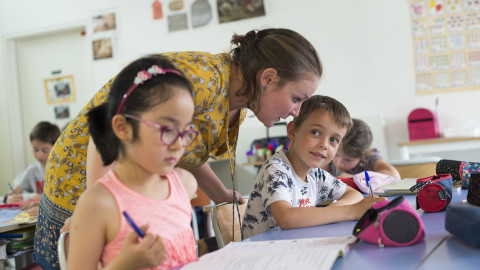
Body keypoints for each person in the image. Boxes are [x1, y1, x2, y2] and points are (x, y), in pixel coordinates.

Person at [34, 28, 322, 269]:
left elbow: (186, 151)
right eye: (297, 99)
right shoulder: (202, 79)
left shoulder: (237, 102)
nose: (296, 112)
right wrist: (108, 203)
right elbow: (107, 125)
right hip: (81, 185)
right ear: (268, 78)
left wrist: (219, 193)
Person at [67, 56, 198, 269]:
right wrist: (124, 265)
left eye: (185, 132)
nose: (178, 145)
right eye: (168, 130)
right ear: (122, 127)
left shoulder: (184, 185)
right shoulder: (98, 204)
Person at [242, 96, 386, 239]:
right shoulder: (276, 169)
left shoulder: (316, 175)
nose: (324, 144)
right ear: (293, 131)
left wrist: (334, 209)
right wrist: (351, 212)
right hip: (262, 254)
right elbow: (286, 218)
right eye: (315, 132)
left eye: (333, 140)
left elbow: (354, 194)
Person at [323, 118, 401, 179]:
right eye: (336, 155)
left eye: (348, 160)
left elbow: (395, 176)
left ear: (363, 155)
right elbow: (314, 173)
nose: (339, 163)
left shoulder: (370, 158)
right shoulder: (330, 155)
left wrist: (354, 178)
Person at [4, 121, 60, 204]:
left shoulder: (61, 170)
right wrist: (8, 198)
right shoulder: (32, 171)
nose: (39, 155)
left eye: (45, 150)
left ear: (56, 147)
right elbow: (12, 193)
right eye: (35, 149)